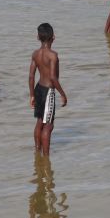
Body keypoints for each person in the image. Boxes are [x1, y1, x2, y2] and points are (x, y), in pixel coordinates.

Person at [29, 23, 68, 156]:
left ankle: (37, 150)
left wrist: (32, 95)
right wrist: (62, 94)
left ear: (37, 37)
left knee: (40, 121)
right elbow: (53, 77)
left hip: (38, 89)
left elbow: (31, 76)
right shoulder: (53, 55)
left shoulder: (35, 54)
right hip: (48, 91)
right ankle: (46, 157)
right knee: (48, 125)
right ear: (53, 37)